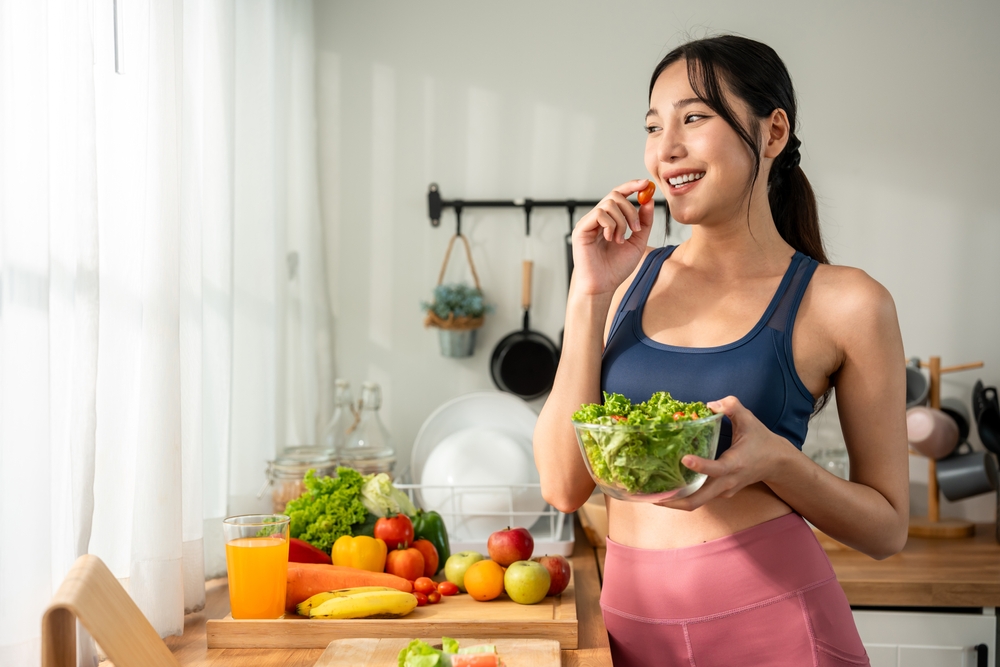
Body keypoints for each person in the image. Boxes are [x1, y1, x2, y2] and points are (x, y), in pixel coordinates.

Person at [534, 35, 908, 666]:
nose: (666, 148)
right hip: (632, 633)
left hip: (778, 631)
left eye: (695, 117)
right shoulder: (622, 283)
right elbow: (563, 485)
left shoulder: (845, 303)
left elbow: (887, 529)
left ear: (772, 132)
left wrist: (777, 464)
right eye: (654, 126)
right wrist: (587, 293)